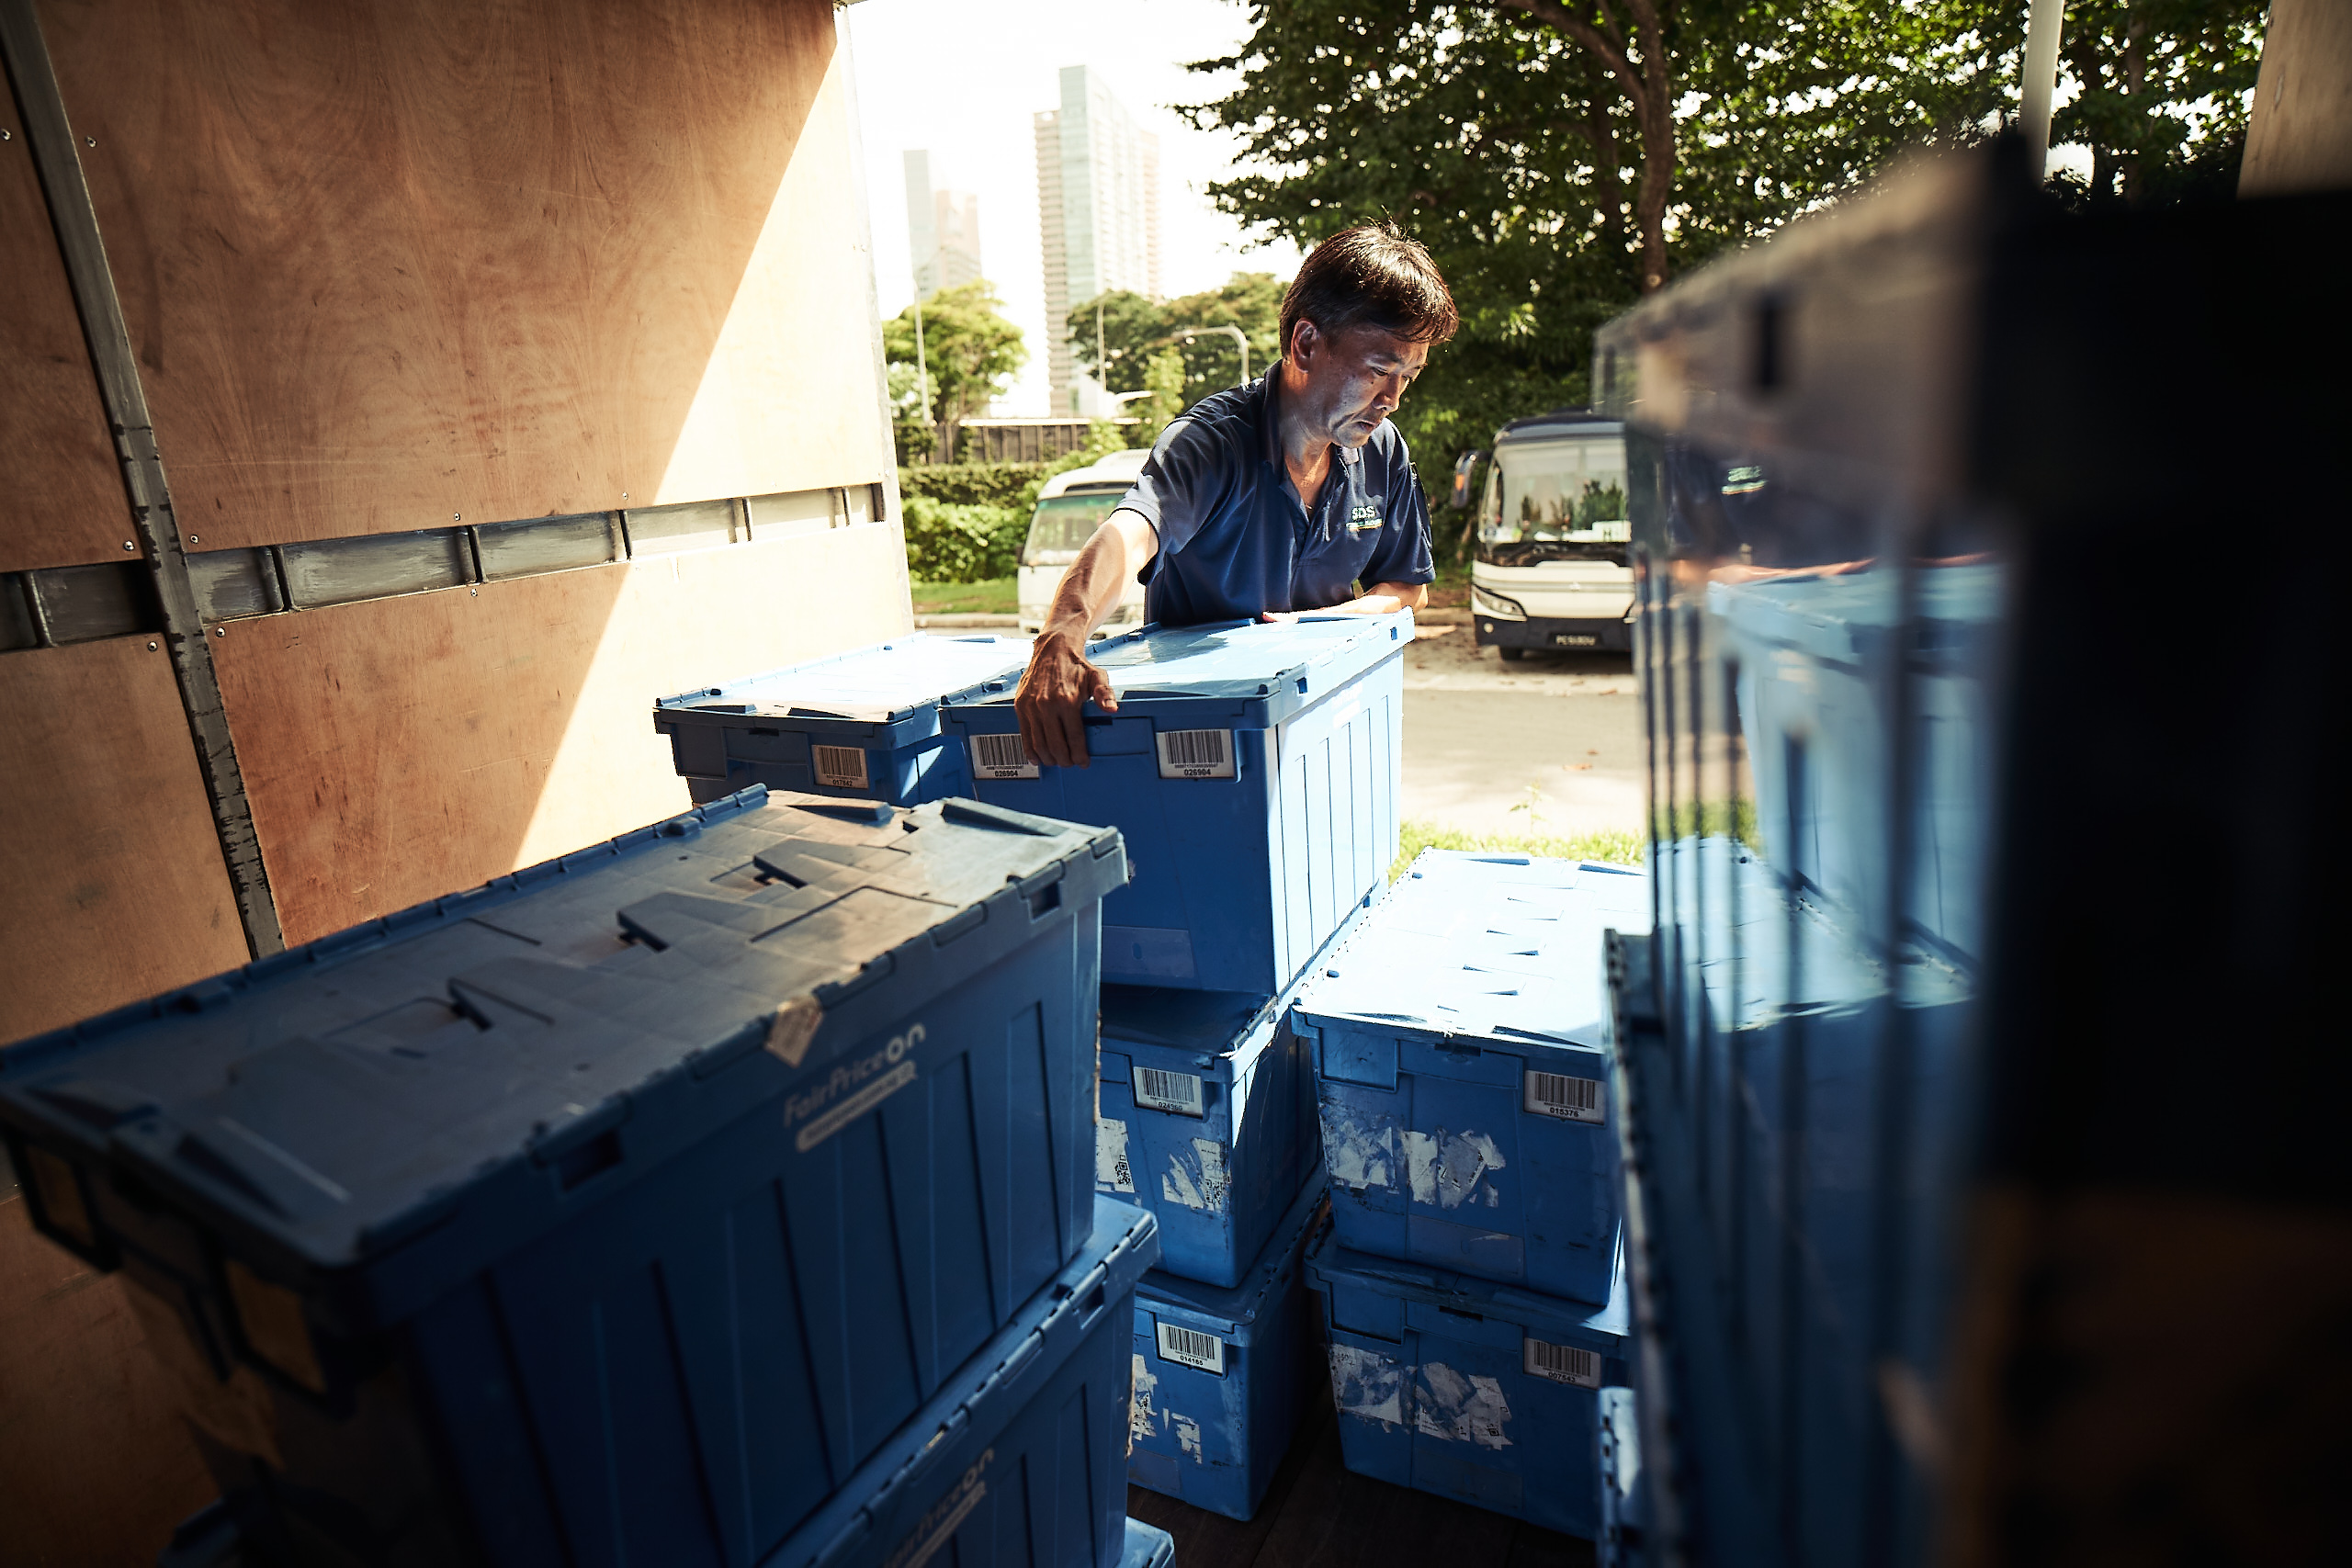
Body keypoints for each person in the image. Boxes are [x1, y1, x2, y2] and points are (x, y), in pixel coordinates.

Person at [1012, 223, 1458, 767]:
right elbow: (1128, 537)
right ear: (1306, 343)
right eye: (1379, 370)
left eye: (1408, 376)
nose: (1392, 398)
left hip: (1322, 721)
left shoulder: (1382, 450)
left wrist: (1336, 618)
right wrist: (1062, 634)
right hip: (1198, 744)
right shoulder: (1211, 443)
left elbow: (1408, 588)